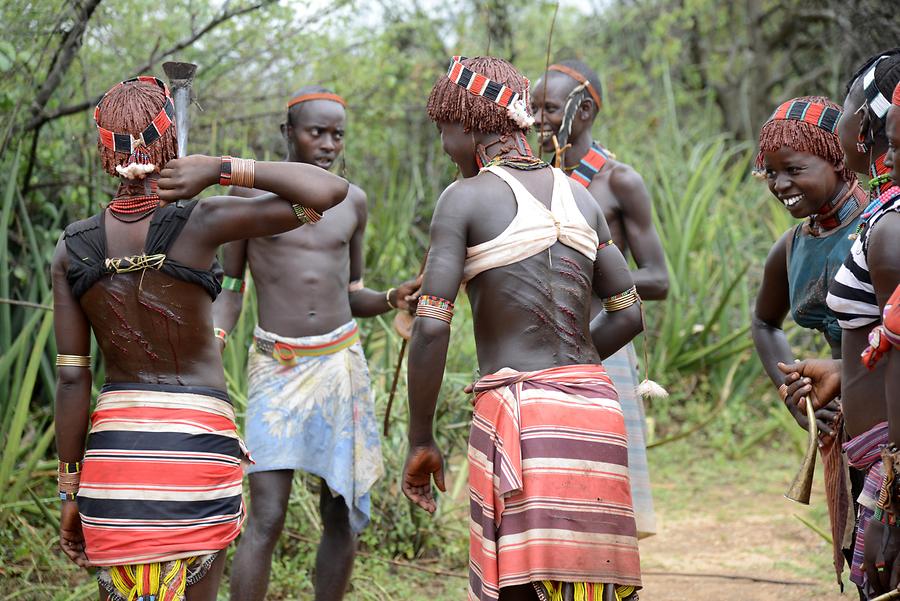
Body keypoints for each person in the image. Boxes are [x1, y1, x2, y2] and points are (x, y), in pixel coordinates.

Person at [52, 76, 348, 601]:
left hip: (113, 462)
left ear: (105, 149)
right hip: (196, 450)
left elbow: (74, 379)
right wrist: (222, 168)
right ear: (167, 146)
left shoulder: (71, 248)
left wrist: (71, 491)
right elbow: (325, 195)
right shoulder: (204, 221)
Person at [401, 55, 644, 601]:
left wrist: (420, 439)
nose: (445, 147)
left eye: (444, 132)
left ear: (467, 124)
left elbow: (433, 325)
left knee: (521, 584)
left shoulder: (462, 199)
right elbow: (628, 311)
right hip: (596, 415)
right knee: (589, 580)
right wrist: (569, 375)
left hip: (522, 419)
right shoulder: (582, 197)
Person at [214, 85, 420, 601]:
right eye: (316, 132)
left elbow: (351, 293)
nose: (329, 144)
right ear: (288, 133)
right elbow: (232, 291)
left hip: (338, 365)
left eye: (338, 135)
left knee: (340, 511)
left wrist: (393, 296)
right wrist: (212, 342)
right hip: (275, 366)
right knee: (265, 514)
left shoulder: (353, 202)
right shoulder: (247, 199)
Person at [529, 59, 668, 538]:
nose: (537, 119)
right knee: (552, 487)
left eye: (549, 108)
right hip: (535, 351)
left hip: (603, 345)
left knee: (602, 488)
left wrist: (588, 277)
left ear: (584, 110)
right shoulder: (529, 181)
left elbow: (657, 277)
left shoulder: (617, 181)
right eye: (532, 108)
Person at [781, 51, 900, 597]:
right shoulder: (883, 216)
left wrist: (892, 502)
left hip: (890, 462)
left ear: (870, 123)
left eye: (849, 109)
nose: (842, 122)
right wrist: (840, 369)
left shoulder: (887, 228)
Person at [750, 95, 868, 587]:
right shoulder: (793, 246)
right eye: (771, 174)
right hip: (844, 415)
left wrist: (848, 374)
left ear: (837, 159)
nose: (781, 186)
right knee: (868, 553)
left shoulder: (879, 227)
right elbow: (764, 322)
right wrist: (795, 397)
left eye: (794, 169)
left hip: (885, 404)